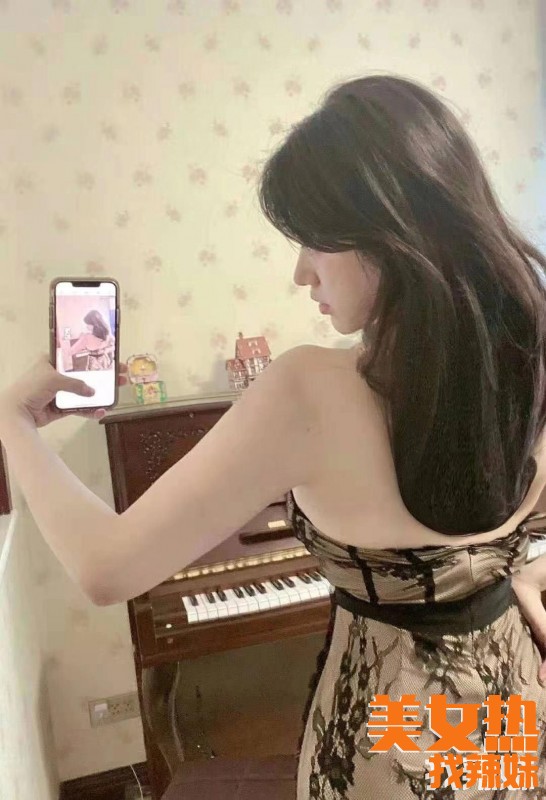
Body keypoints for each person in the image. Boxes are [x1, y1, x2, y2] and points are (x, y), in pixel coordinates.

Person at [1, 73, 546, 798]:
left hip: (390, 749)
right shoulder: (531, 357)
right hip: (514, 712)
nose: (300, 274)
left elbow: (106, 568)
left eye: (314, 243)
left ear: (389, 234)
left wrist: (13, 423)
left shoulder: (308, 390)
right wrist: (514, 578)